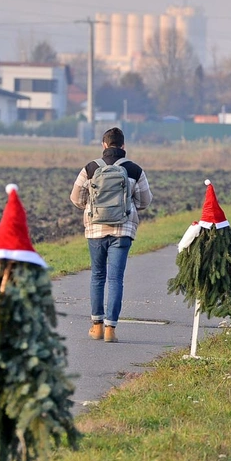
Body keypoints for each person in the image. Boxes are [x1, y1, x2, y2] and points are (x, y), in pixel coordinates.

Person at [70, 127, 152, 342]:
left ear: (104, 145)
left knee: (97, 276)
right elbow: (145, 201)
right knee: (116, 278)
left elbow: (76, 198)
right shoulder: (134, 170)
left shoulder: (90, 168)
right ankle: (110, 330)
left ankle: (96, 327)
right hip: (123, 230)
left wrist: (91, 206)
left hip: (95, 230)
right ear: (123, 146)